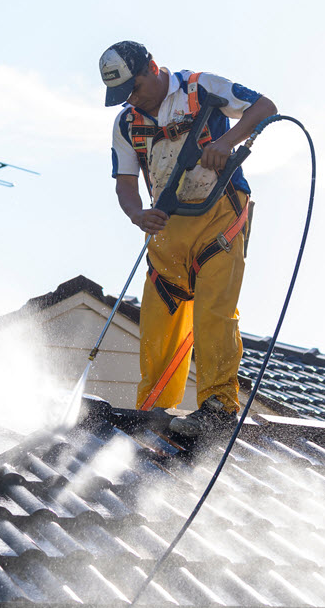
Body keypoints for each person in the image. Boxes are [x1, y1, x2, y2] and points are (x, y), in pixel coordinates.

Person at [100, 40, 277, 436]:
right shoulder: (126, 124)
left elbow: (264, 107)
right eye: (123, 95)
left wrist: (224, 143)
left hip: (220, 215)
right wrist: (136, 214)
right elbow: (125, 183)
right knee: (160, 318)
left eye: (134, 88)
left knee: (214, 311)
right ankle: (155, 409)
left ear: (152, 68)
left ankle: (217, 407)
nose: (132, 99)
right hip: (168, 227)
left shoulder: (201, 88)